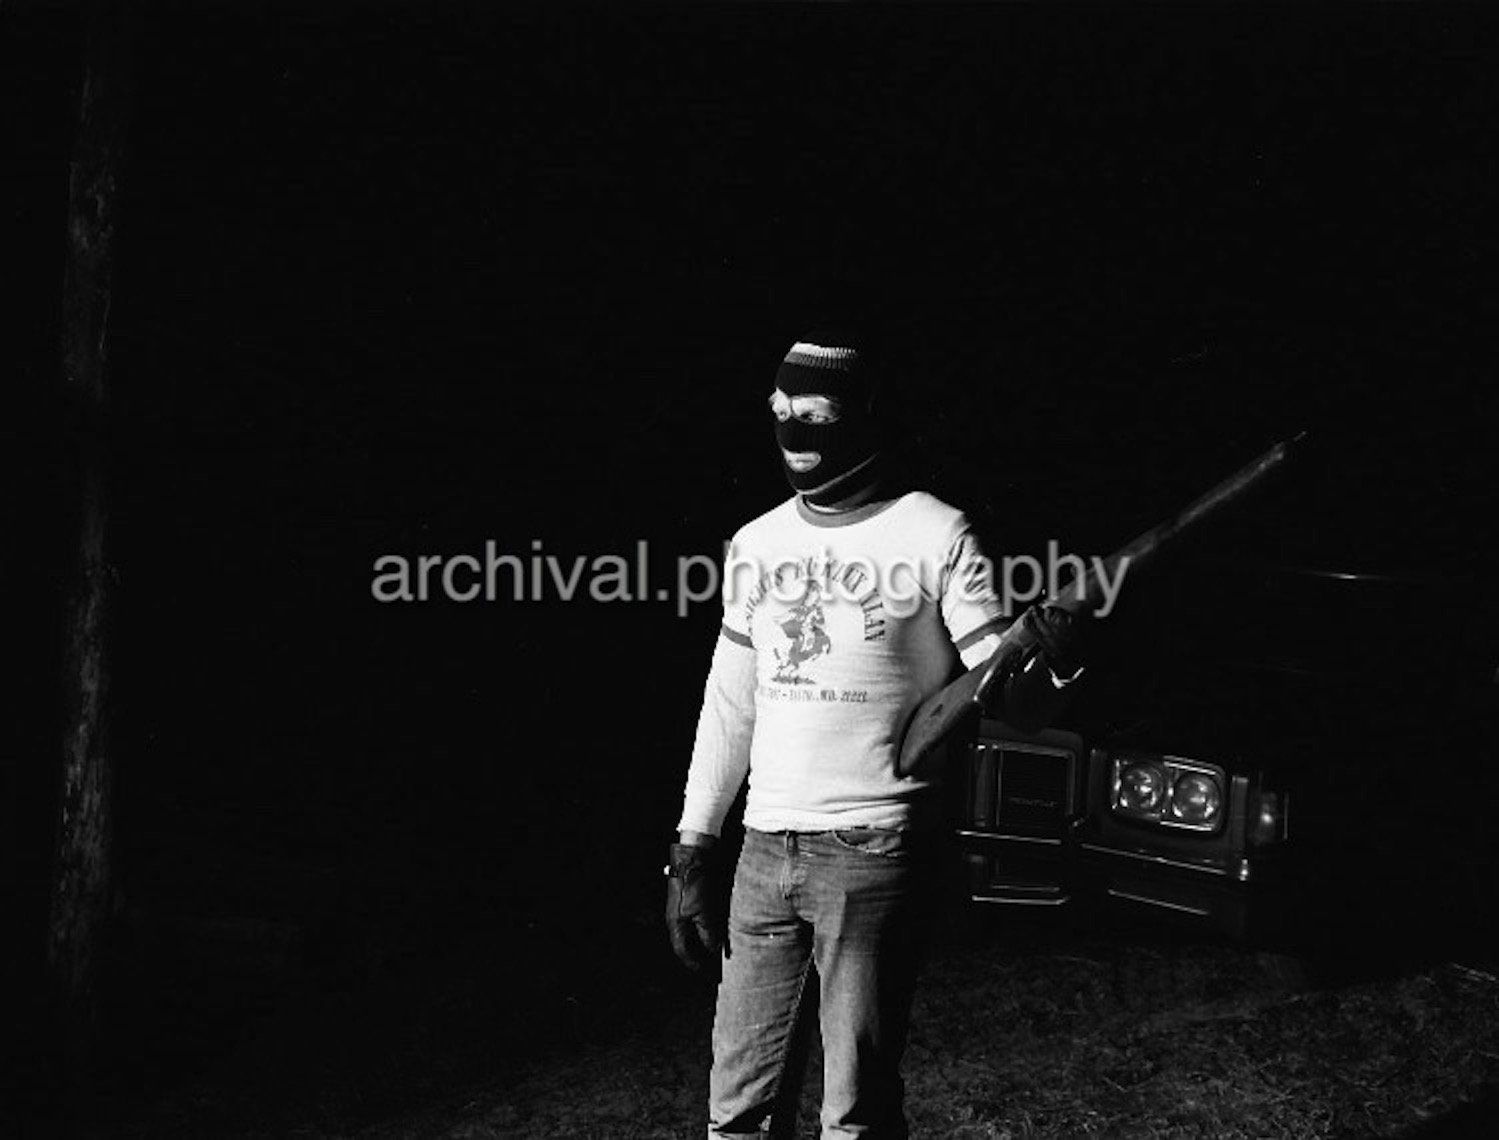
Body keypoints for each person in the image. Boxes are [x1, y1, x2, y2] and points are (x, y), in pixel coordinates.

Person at [666, 327, 1084, 1138]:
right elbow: (730, 703)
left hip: (873, 849)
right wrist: (692, 845)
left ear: (861, 417)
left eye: (816, 415)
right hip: (762, 850)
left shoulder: (935, 532)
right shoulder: (756, 543)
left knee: (853, 1111)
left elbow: (1010, 699)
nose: (792, 432)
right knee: (735, 1110)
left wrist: (1058, 666)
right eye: (778, 410)